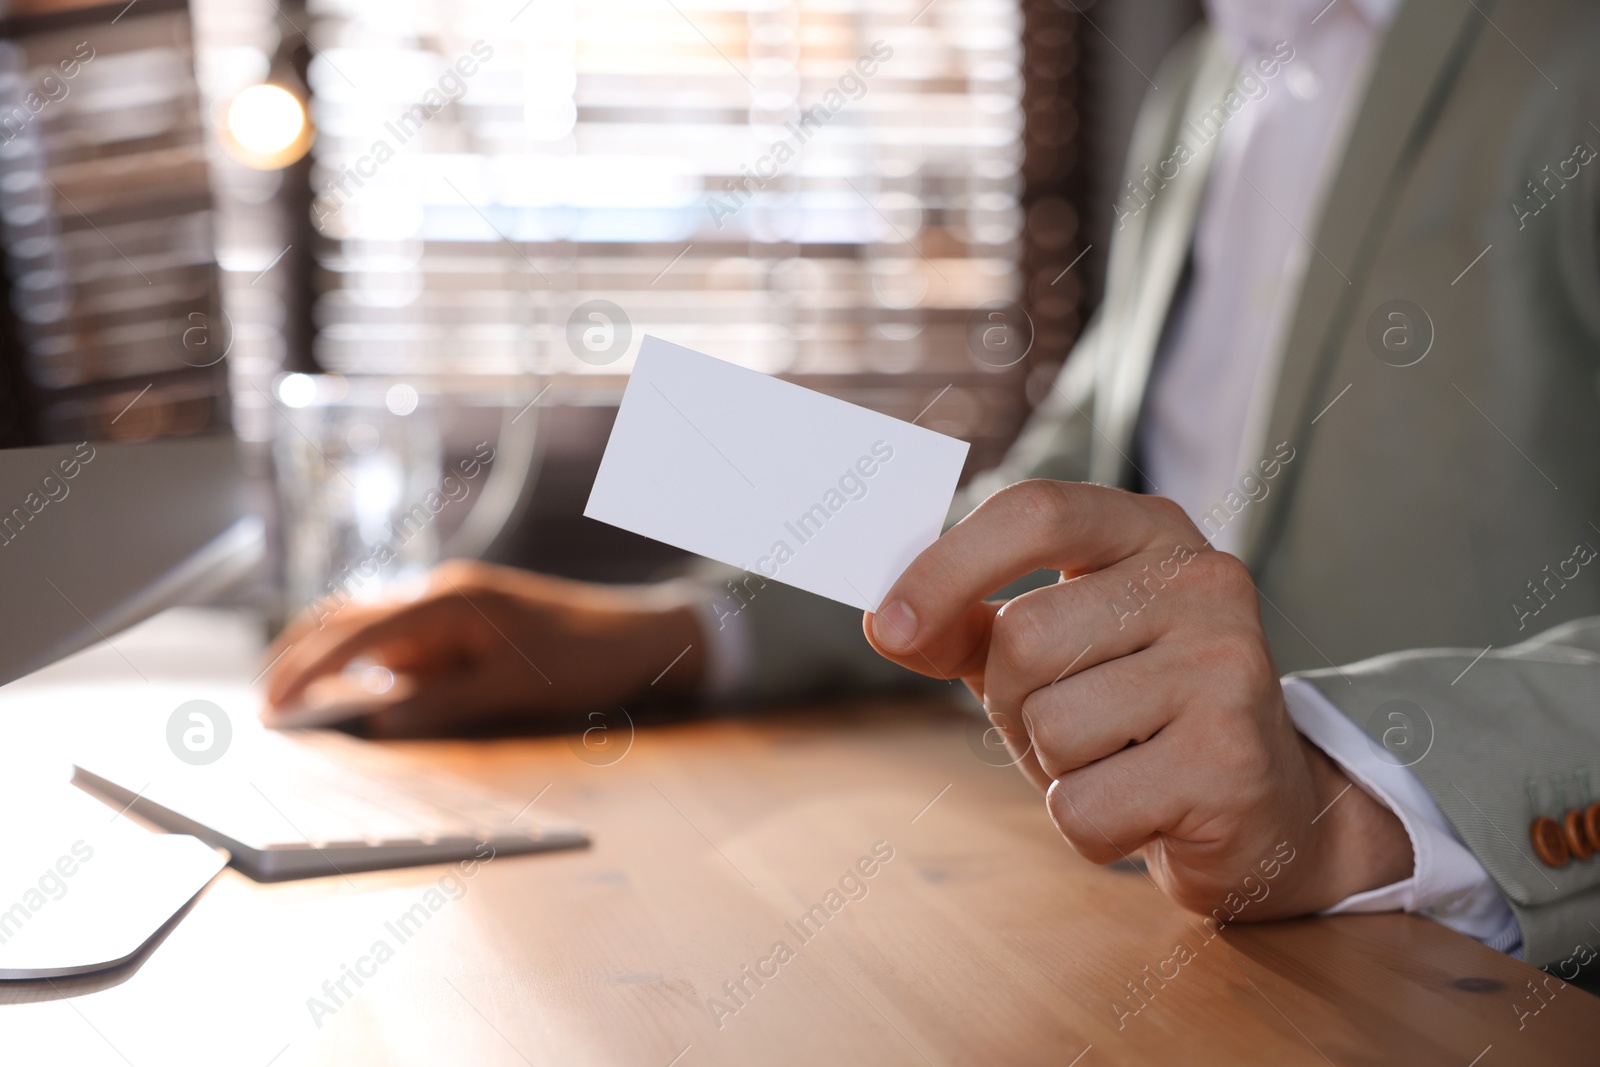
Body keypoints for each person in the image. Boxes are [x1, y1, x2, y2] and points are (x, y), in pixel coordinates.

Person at [263, 0, 1600, 969]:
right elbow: (1058, 490)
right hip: (1139, 923)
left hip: (1443, 971)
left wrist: (1350, 806)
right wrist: (678, 627)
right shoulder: (1205, 79)